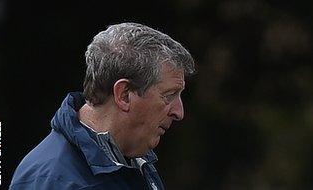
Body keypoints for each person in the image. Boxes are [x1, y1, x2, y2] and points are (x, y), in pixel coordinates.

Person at [10, 23, 195, 189]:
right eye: (168, 95)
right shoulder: (51, 180)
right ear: (124, 95)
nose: (179, 112)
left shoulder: (134, 159)